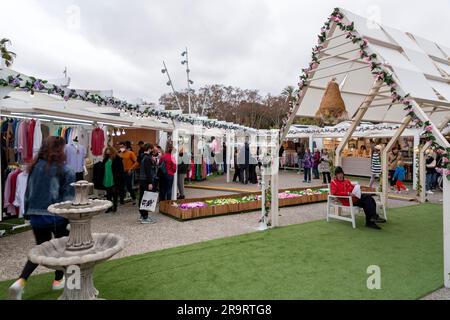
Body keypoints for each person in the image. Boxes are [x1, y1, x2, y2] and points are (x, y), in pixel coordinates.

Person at [8, 136, 75, 300]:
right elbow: (68, 200)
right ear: (60, 149)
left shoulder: (35, 167)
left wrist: (27, 214)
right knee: (67, 249)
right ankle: (67, 283)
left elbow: (28, 194)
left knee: (40, 250)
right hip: (57, 216)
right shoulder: (65, 170)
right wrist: (72, 219)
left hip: (36, 216)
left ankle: (21, 281)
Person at [138, 143, 157, 224]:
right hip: (146, 180)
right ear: (149, 149)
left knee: (142, 197)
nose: (153, 150)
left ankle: (143, 215)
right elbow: (148, 171)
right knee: (146, 198)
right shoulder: (147, 158)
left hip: (142, 180)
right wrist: (150, 182)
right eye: (152, 148)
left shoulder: (143, 156)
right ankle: (145, 217)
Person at [102, 146, 125, 213]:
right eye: (106, 150)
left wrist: (120, 178)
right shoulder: (105, 159)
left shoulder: (117, 159)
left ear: (112, 151)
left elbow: (121, 170)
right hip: (107, 178)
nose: (107, 151)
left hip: (114, 178)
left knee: (114, 193)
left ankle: (115, 206)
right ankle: (109, 207)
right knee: (108, 194)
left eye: (108, 150)